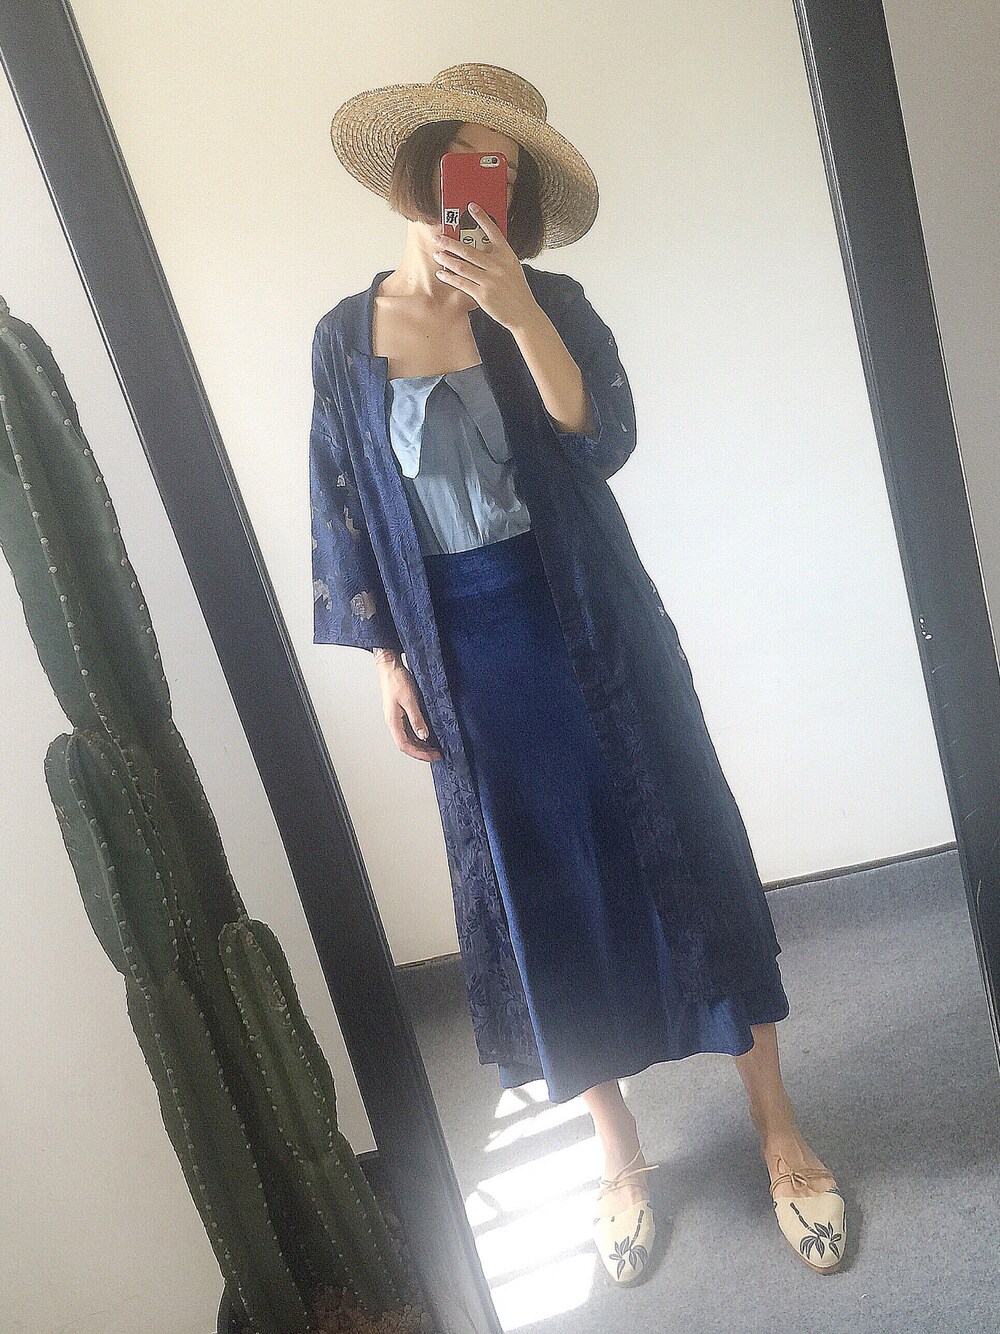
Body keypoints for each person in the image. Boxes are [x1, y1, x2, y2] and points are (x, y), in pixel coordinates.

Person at [314, 62, 847, 1284]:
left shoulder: (549, 300)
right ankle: (618, 1157)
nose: (480, 188)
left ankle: (777, 1126)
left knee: (686, 852)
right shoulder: (342, 341)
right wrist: (388, 657)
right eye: (464, 160)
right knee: (538, 891)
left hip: (595, 627)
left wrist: (518, 312)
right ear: (416, 169)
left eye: (502, 173)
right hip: (464, 661)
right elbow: (340, 503)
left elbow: (598, 439)